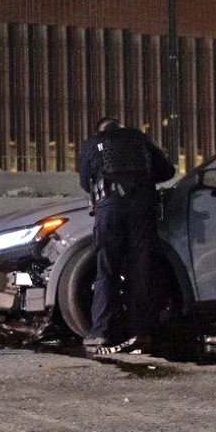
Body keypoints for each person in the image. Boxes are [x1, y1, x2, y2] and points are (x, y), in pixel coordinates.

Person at [77, 116, 176, 354]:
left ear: (100, 130)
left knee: (106, 268)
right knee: (141, 268)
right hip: (142, 206)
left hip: (109, 208)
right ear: (120, 127)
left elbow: (84, 181)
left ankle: (100, 332)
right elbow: (167, 171)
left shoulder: (92, 144)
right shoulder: (139, 139)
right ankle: (140, 332)